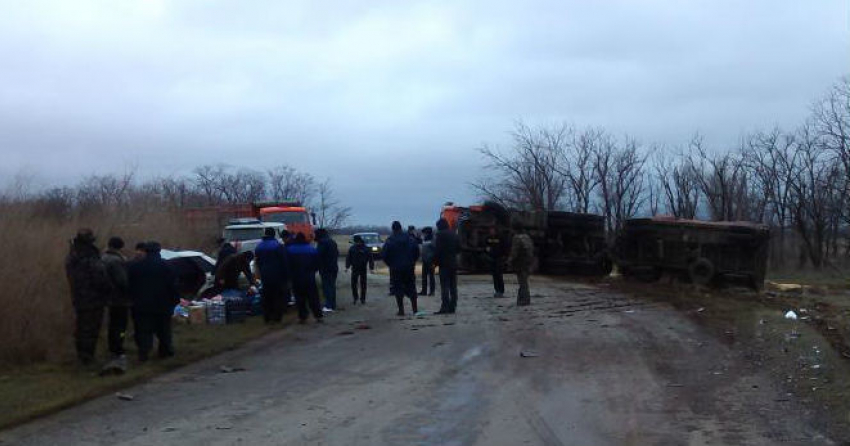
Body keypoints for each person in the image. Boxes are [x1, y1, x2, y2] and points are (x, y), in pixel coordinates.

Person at [65, 229, 113, 365]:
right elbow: (100, 277)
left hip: (78, 297)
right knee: (91, 329)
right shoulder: (90, 256)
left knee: (81, 328)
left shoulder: (72, 256)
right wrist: (108, 289)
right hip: (94, 298)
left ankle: (82, 355)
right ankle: (88, 358)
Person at [127, 242, 180, 361]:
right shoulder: (167, 266)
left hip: (141, 305)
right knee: (164, 329)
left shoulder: (135, 266)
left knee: (143, 330)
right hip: (163, 304)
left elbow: (130, 285)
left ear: (146, 251)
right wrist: (175, 300)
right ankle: (165, 351)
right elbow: (173, 285)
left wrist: (132, 300)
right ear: (159, 251)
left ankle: (143, 353)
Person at [101, 236, 131, 374]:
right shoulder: (116, 261)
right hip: (119, 299)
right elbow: (122, 281)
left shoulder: (102, 258)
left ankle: (112, 346)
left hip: (107, 298)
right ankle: (118, 348)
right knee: (120, 326)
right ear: (120, 247)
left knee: (112, 325)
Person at [254, 227, 290, 323]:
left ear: (265, 234)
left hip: (264, 275)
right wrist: (286, 276)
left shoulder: (259, 246)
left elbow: (257, 262)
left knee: (266, 296)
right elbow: (284, 262)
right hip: (277, 275)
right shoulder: (278, 246)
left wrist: (259, 275)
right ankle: (277, 317)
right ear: (274, 235)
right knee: (278, 296)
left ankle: (267, 317)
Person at [383, 221, 420, 316]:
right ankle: (415, 309)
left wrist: (391, 264)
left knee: (398, 288)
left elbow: (385, 255)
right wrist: (412, 262)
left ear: (393, 229)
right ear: (401, 228)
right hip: (409, 267)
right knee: (411, 287)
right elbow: (416, 251)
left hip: (396, 268)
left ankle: (401, 310)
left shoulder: (390, 240)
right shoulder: (410, 239)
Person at [286, 233, 324, 323]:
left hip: (296, 277)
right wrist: (312, 271)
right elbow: (318, 263)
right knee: (313, 297)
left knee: (299, 298)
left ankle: (303, 317)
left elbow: (287, 264)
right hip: (309, 277)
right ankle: (318, 316)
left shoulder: (289, 250)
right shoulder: (312, 249)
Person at [433, 218, 460, 314]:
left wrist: (435, 263)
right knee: (453, 286)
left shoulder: (440, 235)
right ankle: (453, 306)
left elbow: (437, 250)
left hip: (444, 264)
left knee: (445, 286)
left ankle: (445, 307)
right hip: (453, 263)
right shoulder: (454, 234)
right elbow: (459, 248)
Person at [507, 225, 535, 306]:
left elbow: (514, 252)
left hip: (520, 262)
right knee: (524, 281)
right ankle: (523, 299)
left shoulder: (516, 238)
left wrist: (509, 260)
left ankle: (523, 300)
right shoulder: (527, 237)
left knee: (522, 282)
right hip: (527, 262)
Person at [345, 235, 374, 304]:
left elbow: (370, 258)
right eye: (355, 242)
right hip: (354, 268)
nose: (356, 243)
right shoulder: (352, 248)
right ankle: (355, 297)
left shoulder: (366, 248)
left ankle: (363, 298)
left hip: (363, 268)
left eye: (357, 242)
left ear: (360, 241)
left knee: (363, 284)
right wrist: (347, 267)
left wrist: (371, 268)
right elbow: (348, 258)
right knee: (353, 284)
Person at [315, 228, 339, 312]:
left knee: (327, 286)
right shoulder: (332, 242)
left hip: (325, 268)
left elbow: (318, 255)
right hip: (334, 267)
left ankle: (328, 305)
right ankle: (332, 304)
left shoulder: (322, 243)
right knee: (332, 286)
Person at [485, 226, 509, 298]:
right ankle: (497, 290)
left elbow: (505, 247)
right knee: (494, 275)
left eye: (492, 230)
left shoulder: (500, 238)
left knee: (499, 275)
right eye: (490, 230)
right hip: (491, 258)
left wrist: (504, 256)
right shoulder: (488, 238)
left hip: (499, 258)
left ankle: (501, 291)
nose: (491, 231)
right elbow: (485, 246)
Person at [419, 227, 436, 296]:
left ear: (427, 233)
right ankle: (424, 291)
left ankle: (432, 292)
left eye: (424, 233)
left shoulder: (433, 239)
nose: (423, 234)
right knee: (424, 277)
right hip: (425, 260)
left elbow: (435, 250)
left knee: (431, 277)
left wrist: (434, 261)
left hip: (431, 261)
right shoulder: (424, 239)